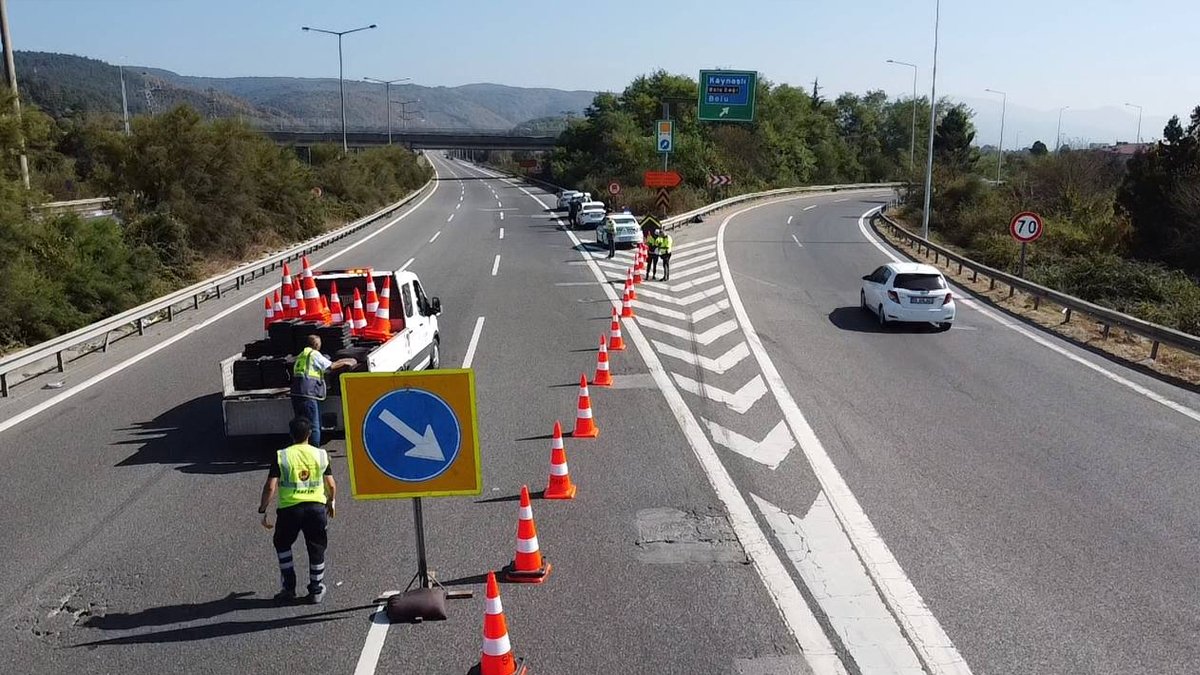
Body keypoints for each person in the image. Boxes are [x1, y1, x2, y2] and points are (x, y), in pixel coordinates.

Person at [259, 417, 337, 604]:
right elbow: (332, 485)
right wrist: (331, 502)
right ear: (309, 434)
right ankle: (316, 589)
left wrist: (263, 509)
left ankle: (288, 587)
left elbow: (270, 487)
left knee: (283, 544)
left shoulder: (282, 456)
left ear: (291, 434)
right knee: (316, 548)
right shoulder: (321, 455)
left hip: (289, 510)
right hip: (316, 509)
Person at [290, 335, 357, 447]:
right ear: (316, 345)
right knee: (314, 425)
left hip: (296, 393)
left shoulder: (301, 355)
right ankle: (314, 449)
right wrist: (346, 362)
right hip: (308, 394)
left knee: (300, 424)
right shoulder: (314, 354)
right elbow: (330, 366)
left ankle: (301, 448)